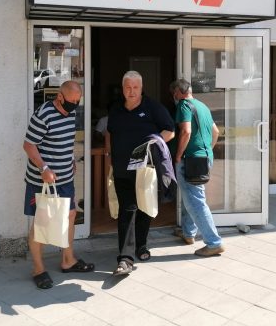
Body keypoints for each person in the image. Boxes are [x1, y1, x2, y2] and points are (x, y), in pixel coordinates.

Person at [23, 80, 95, 289]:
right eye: (71, 101)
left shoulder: (71, 113)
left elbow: (66, 141)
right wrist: (44, 168)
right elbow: (29, 145)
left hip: (65, 179)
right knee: (42, 222)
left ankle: (68, 260)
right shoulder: (43, 114)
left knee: (71, 215)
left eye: (78, 101)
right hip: (42, 181)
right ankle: (38, 269)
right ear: (59, 96)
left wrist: (70, 159)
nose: (74, 105)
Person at [106, 71, 175, 275]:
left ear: (141, 88)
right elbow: (110, 132)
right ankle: (125, 258)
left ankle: (141, 245)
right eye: (128, 87)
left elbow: (170, 130)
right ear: (123, 88)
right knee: (127, 209)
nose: (132, 91)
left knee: (144, 207)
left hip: (144, 168)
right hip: (121, 168)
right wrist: (110, 154)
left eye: (135, 87)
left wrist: (152, 143)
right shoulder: (116, 108)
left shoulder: (153, 107)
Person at [170, 78, 225, 257]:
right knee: (191, 197)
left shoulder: (184, 106)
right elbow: (216, 132)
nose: (174, 96)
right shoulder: (203, 106)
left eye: (174, 93)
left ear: (177, 92)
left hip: (191, 160)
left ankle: (214, 242)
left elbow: (186, 131)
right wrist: (208, 150)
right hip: (204, 158)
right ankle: (188, 233)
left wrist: (178, 155)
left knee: (195, 201)